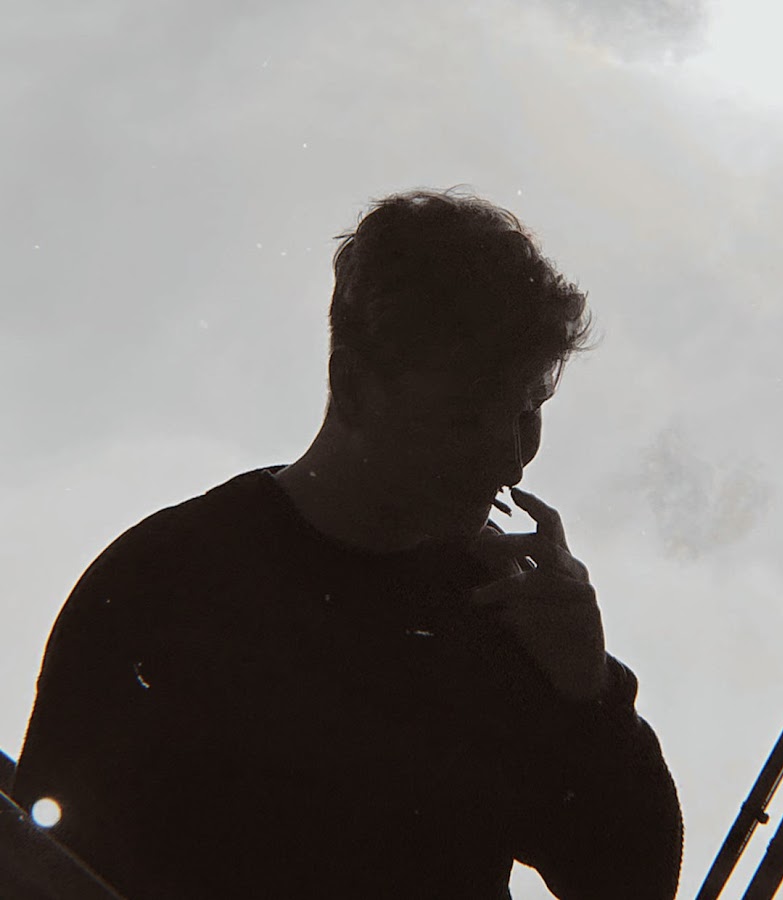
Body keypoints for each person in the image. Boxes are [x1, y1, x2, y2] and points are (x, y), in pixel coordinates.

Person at [13, 189, 683, 898]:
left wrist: (590, 693)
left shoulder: (503, 619)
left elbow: (629, 885)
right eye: (466, 416)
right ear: (354, 387)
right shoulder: (165, 588)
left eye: (529, 411)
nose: (512, 459)